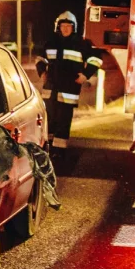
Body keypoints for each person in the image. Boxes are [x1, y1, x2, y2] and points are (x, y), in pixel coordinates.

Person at [35, 11, 102, 161]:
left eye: (68, 26)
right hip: (50, 89)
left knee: (63, 120)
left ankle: (59, 151)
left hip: (68, 89)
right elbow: (40, 59)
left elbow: (96, 59)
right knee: (49, 119)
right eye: (63, 26)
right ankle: (48, 147)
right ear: (58, 27)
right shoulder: (50, 42)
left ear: (74, 28)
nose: (65, 29)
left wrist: (85, 75)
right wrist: (42, 72)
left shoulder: (82, 44)